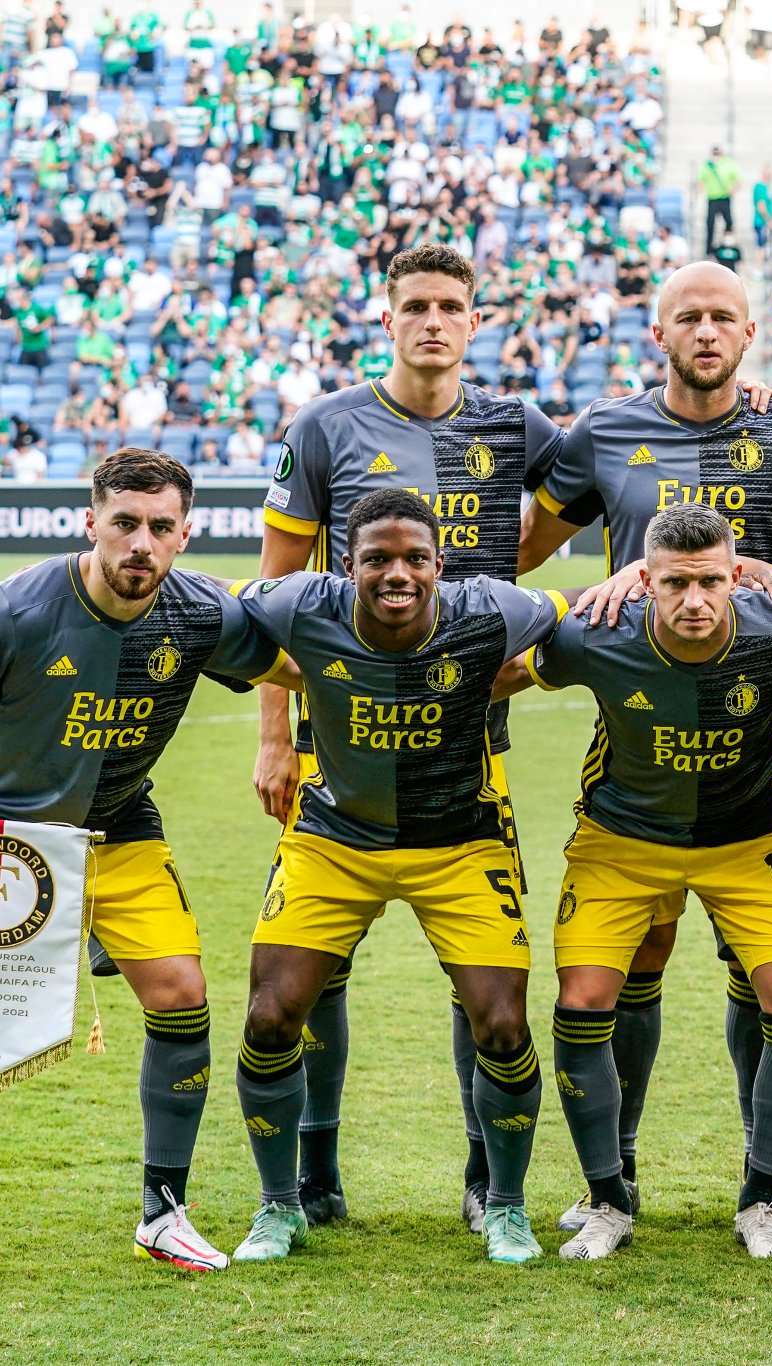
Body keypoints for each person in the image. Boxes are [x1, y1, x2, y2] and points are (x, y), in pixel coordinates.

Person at [520, 261, 772, 1236]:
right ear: (659, 331)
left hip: (762, 723)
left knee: (761, 965)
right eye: (689, 317)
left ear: (749, 331)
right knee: (637, 952)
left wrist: (769, 570)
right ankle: (615, 1172)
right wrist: (598, 593)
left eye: (723, 316)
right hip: (637, 716)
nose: (707, 331)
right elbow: (522, 550)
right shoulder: (603, 430)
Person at [0, 448, 297, 1285]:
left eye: (160, 527)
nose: (141, 544)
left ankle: (163, 1213)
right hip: (3, 837)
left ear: (185, 534)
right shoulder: (15, 608)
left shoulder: (201, 612)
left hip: (121, 826)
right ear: (92, 524)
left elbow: (294, 667)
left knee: (182, 995)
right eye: (125, 524)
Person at [252, 244, 573, 1238]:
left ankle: (486, 1182)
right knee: (314, 972)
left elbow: (608, 475)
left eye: (450, 306)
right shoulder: (325, 425)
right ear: (386, 318)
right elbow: (276, 590)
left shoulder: (515, 425)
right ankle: (311, 1177)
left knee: (479, 974)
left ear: (474, 321)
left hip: (470, 741)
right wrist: (274, 737)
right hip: (337, 741)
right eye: (416, 306)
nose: (433, 321)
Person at [229, 489, 569, 1266]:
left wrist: (640, 578)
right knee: (271, 1016)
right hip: (333, 839)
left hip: (459, 843)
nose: (397, 573)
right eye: (377, 559)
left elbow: (582, 604)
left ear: (439, 565)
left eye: (415, 558)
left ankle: (506, 1207)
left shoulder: (488, 608)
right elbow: (215, 601)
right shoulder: (299, 602)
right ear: (346, 567)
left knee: (503, 1026)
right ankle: (279, 1206)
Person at [497, 503, 772, 1260]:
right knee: (583, 1001)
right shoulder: (597, 632)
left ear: (736, 576)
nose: (694, 600)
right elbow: (506, 673)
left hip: (748, 843)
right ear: (644, 581)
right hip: (621, 845)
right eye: (676, 583)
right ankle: (608, 1199)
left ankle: (763, 1199)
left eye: (710, 581)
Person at [699, 146, 739, 257]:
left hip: (725, 198)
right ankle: (709, 249)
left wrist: (732, 190)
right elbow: (701, 180)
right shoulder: (707, 165)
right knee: (710, 224)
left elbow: (737, 180)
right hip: (712, 198)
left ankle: (727, 245)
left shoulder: (728, 164)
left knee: (729, 223)